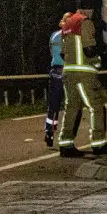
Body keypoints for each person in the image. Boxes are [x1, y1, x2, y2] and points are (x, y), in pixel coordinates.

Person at [55, 0, 107, 157]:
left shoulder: (66, 24)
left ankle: (66, 144)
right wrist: (98, 61)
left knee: (72, 108)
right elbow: (89, 49)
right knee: (96, 106)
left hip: (68, 72)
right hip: (84, 73)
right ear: (89, 9)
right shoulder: (85, 22)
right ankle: (99, 144)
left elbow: (62, 52)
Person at [44, 12, 72, 148]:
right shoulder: (69, 36)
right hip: (67, 70)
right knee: (71, 104)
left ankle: (49, 131)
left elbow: (51, 51)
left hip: (55, 70)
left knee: (53, 105)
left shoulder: (54, 35)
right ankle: (67, 136)